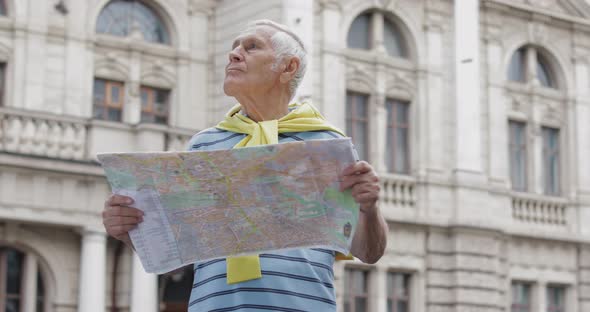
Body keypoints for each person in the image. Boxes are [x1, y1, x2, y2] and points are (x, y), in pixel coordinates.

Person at [103, 19, 388, 311]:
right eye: (234, 47)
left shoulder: (327, 143)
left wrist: (369, 209)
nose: (235, 54)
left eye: (251, 47)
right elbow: (175, 254)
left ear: (287, 68)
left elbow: (368, 252)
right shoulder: (203, 145)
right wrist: (129, 231)